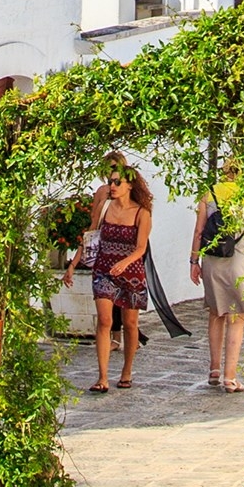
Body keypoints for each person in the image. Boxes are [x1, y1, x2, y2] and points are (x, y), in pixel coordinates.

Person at [79, 153, 153, 392]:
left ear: (130, 185)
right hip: (104, 269)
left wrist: (125, 262)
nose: (111, 186)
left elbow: (141, 247)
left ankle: (127, 371)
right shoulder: (105, 207)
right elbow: (91, 235)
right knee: (105, 320)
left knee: (130, 323)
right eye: (111, 182)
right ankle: (102, 377)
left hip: (130, 272)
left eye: (117, 182)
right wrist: (74, 264)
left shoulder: (142, 213)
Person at [191, 159, 244, 393]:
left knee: (216, 313)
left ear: (224, 172)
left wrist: (193, 261)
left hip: (213, 260)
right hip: (240, 259)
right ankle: (230, 377)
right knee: (237, 315)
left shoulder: (210, 194)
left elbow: (198, 230)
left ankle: (214, 370)